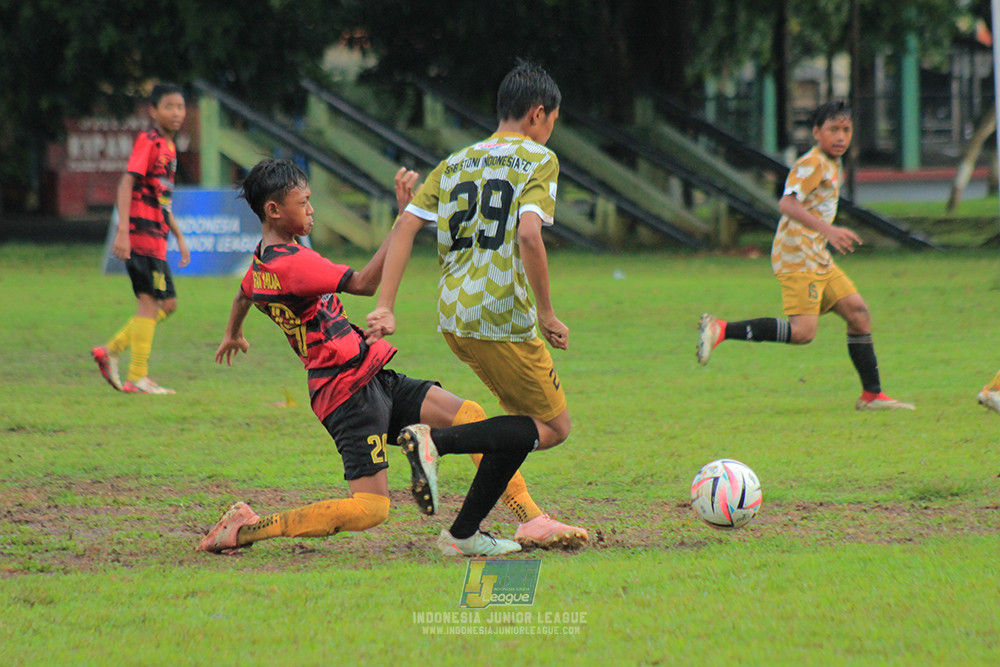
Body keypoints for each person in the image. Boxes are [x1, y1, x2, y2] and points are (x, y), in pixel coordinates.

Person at [198, 158, 547, 558]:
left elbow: (244, 293)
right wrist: (405, 223)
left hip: (370, 372)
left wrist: (233, 333)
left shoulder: (263, 261)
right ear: (274, 210)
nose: (311, 209)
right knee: (371, 509)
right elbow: (365, 283)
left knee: (468, 413)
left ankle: (531, 518)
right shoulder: (295, 263)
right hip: (345, 394)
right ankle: (246, 529)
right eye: (304, 201)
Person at [365, 59, 587, 550]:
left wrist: (386, 304)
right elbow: (530, 234)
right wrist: (547, 314)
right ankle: (434, 442)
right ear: (536, 114)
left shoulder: (456, 161)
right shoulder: (536, 159)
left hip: (455, 316)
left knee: (517, 428)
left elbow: (405, 225)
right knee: (553, 427)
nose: (552, 131)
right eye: (553, 120)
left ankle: (464, 533)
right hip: (503, 316)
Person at [696, 100, 914, 412]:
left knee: (858, 313)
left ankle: (872, 396)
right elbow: (787, 204)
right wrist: (828, 230)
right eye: (833, 129)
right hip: (797, 256)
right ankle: (721, 328)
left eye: (846, 130)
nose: (840, 136)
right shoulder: (811, 164)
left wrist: (825, 235)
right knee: (802, 333)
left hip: (816, 255)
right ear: (816, 132)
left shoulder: (832, 163)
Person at [92, 82, 190, 394]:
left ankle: (112, 350)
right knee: (149, 302)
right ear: (154, 110)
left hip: (157, 239)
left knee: (168, 304)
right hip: (140, 235)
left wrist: (178, 235)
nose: (176, 113)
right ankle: (138, 376)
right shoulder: (149, 141)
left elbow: (161, 197)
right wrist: (122, 230)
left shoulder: (170, 147)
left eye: (180, 106)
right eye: (169, 107)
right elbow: (126, 183)